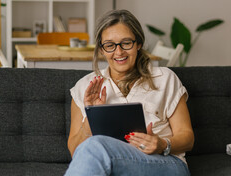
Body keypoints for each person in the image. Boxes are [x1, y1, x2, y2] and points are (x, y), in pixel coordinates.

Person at [65, 9, 194, 176]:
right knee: (94, 148)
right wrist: (91, 118)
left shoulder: (165, 78)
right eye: (110, 45)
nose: (119, 52)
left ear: (138, 44)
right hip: (114, 167)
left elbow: (187, 138)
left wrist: (162, 144)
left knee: (94, 146)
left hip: (165, 163)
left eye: (126, 43)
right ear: (102, 50)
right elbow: (76, 153)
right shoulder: (84, 87)